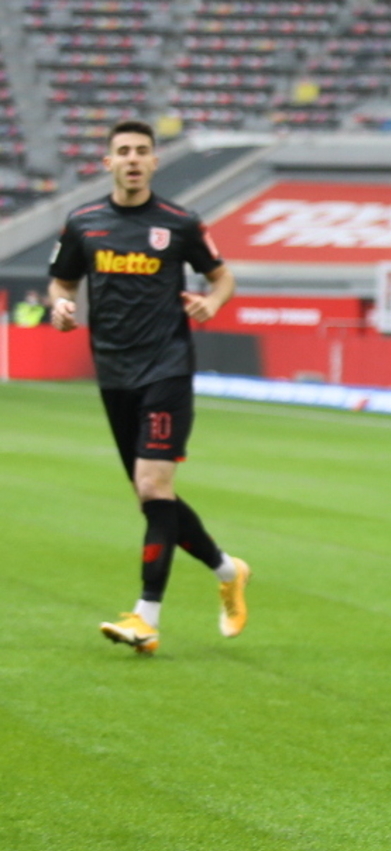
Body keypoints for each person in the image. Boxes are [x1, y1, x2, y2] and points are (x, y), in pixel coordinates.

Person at [48, 119, 249, 656]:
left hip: (167, 369)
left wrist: (213, 302)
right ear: (108, 162)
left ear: (154, 162)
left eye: (142, 151)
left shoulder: (179, 223)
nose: (133, 159)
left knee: (154, 488)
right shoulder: (84, 223)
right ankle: (229, 570)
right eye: (123, 152)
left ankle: (145, 618)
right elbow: (63, 278)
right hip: (112, 374)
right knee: (151, 497)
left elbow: (222, 275)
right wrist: (60, 303)